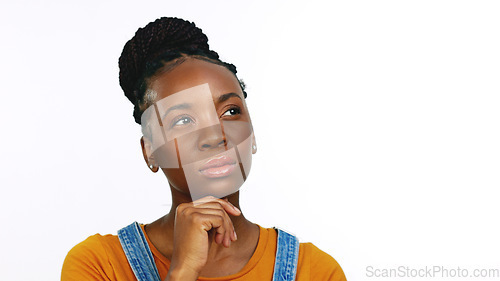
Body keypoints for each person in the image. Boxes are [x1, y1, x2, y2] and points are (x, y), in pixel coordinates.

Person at [61, 17, 347, 281]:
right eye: (183, 120)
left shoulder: (313, 271)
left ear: (253, 134)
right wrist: (183, 270)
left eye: (230, 111)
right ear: (150, 151)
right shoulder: (100, 265)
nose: (214, 136)